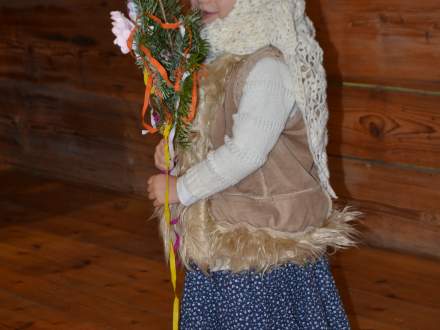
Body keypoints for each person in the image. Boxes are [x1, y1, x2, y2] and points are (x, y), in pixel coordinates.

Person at [147, 0, 363, 328]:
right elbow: (207, 132)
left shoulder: (268, 68)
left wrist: (182, 188)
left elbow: (245, 152)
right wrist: (174, 151)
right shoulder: (213, 59)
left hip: (262, 246)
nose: (203, 1)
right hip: (222, 235)